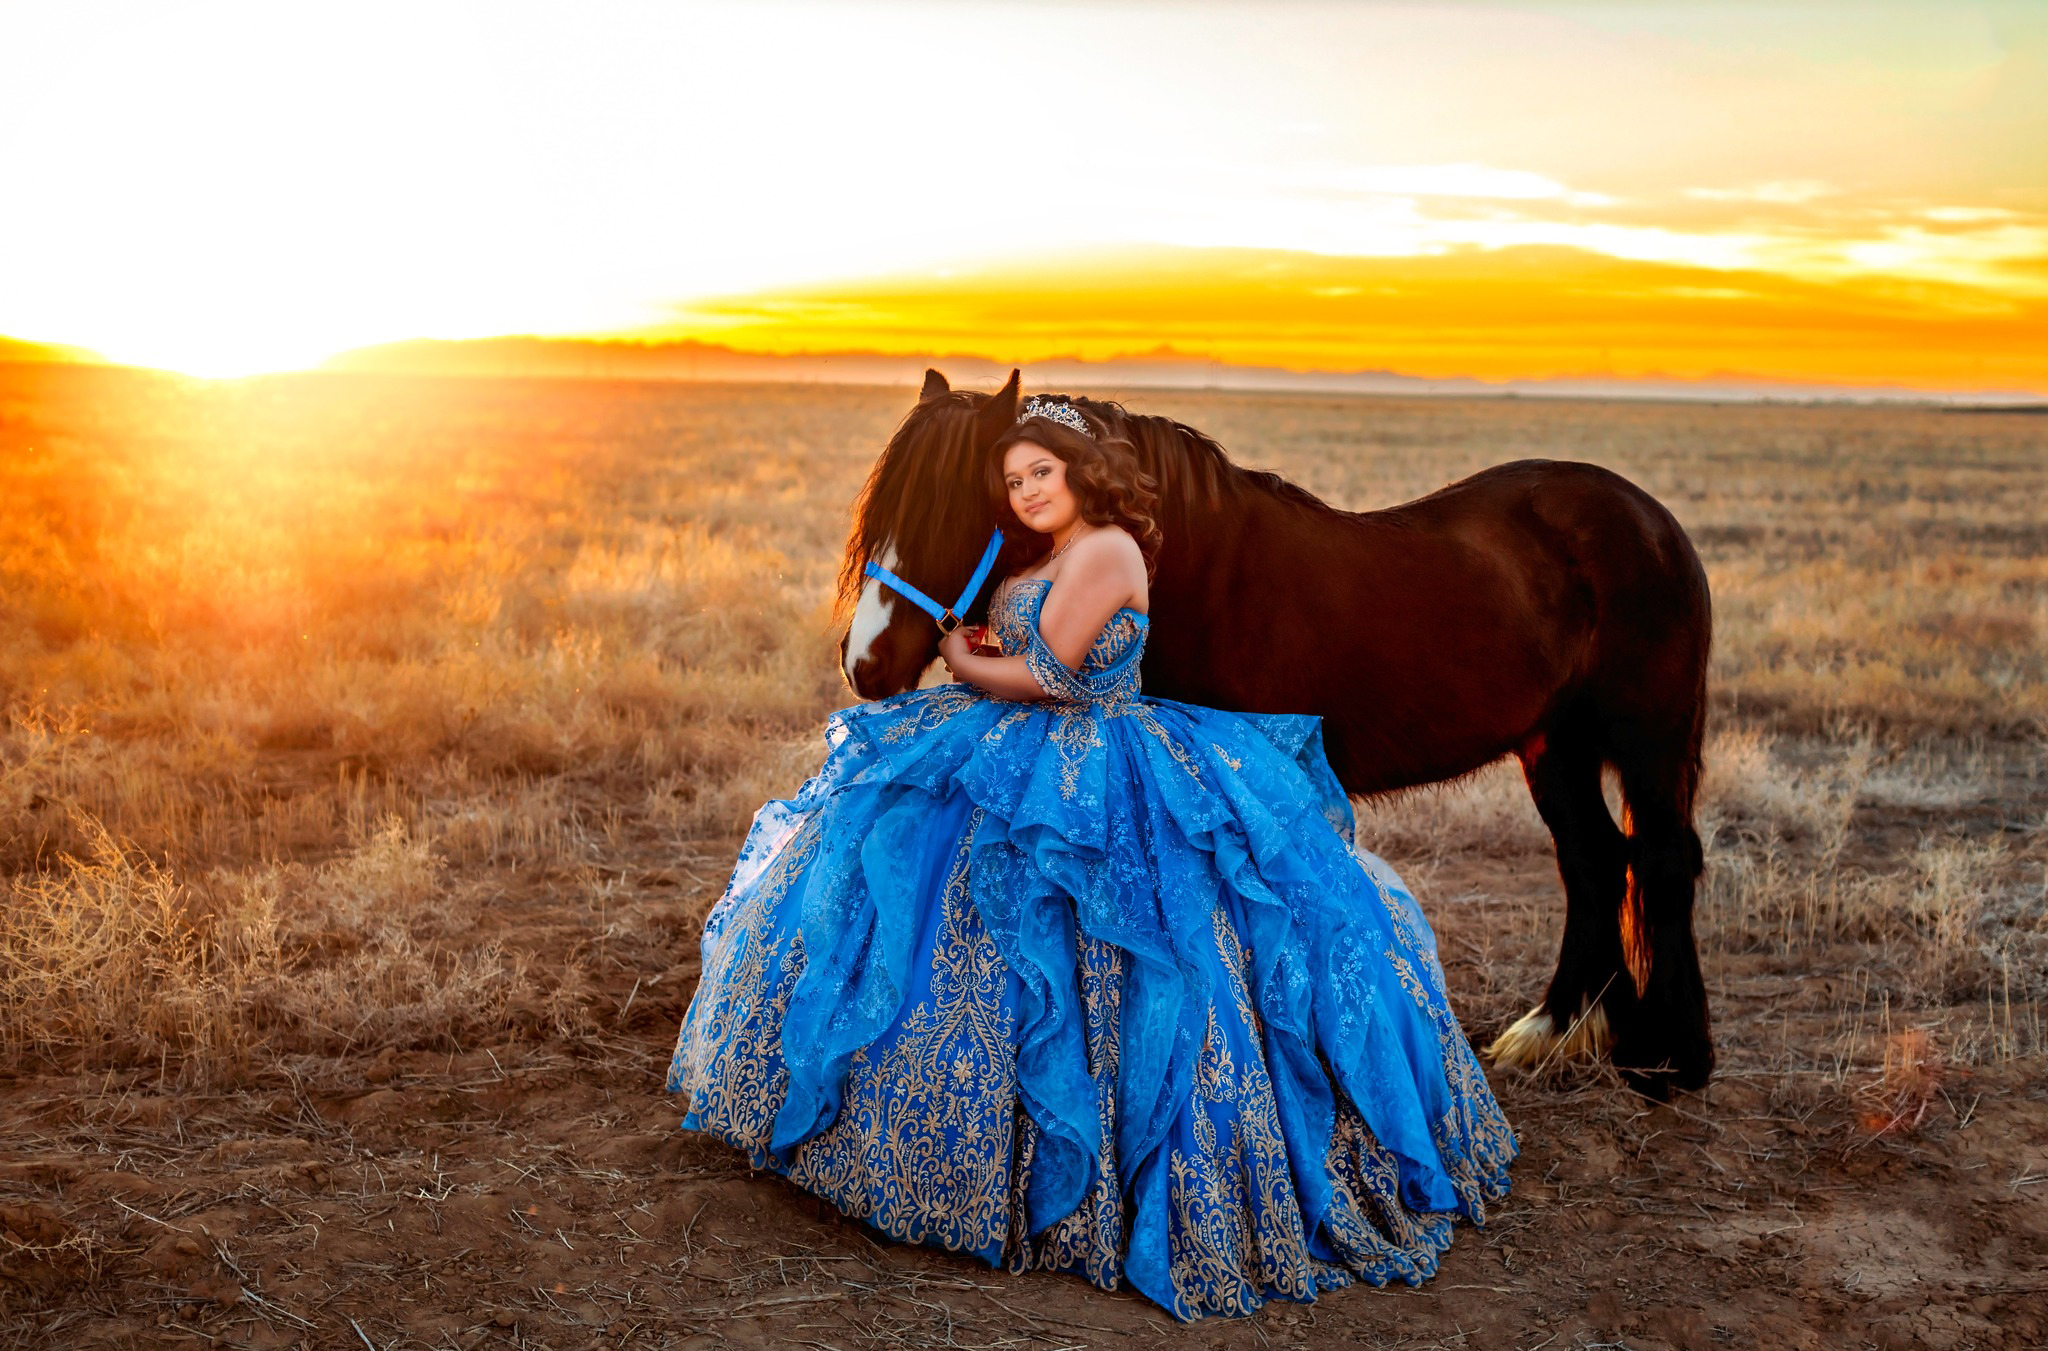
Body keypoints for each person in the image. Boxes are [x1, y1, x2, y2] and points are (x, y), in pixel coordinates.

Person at [667, 395, 1515, 1320]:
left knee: (1123, 945)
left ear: (1082, 474)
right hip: (1027, 748)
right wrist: (982, 637)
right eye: (1014, 479)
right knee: (951, 913)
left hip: (1099, 752)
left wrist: (963, 653)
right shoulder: (1040, 555)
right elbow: (1023, 638)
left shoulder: (1109, 550)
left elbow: (1053, 675)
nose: (1028, 490)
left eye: (1043, 472)